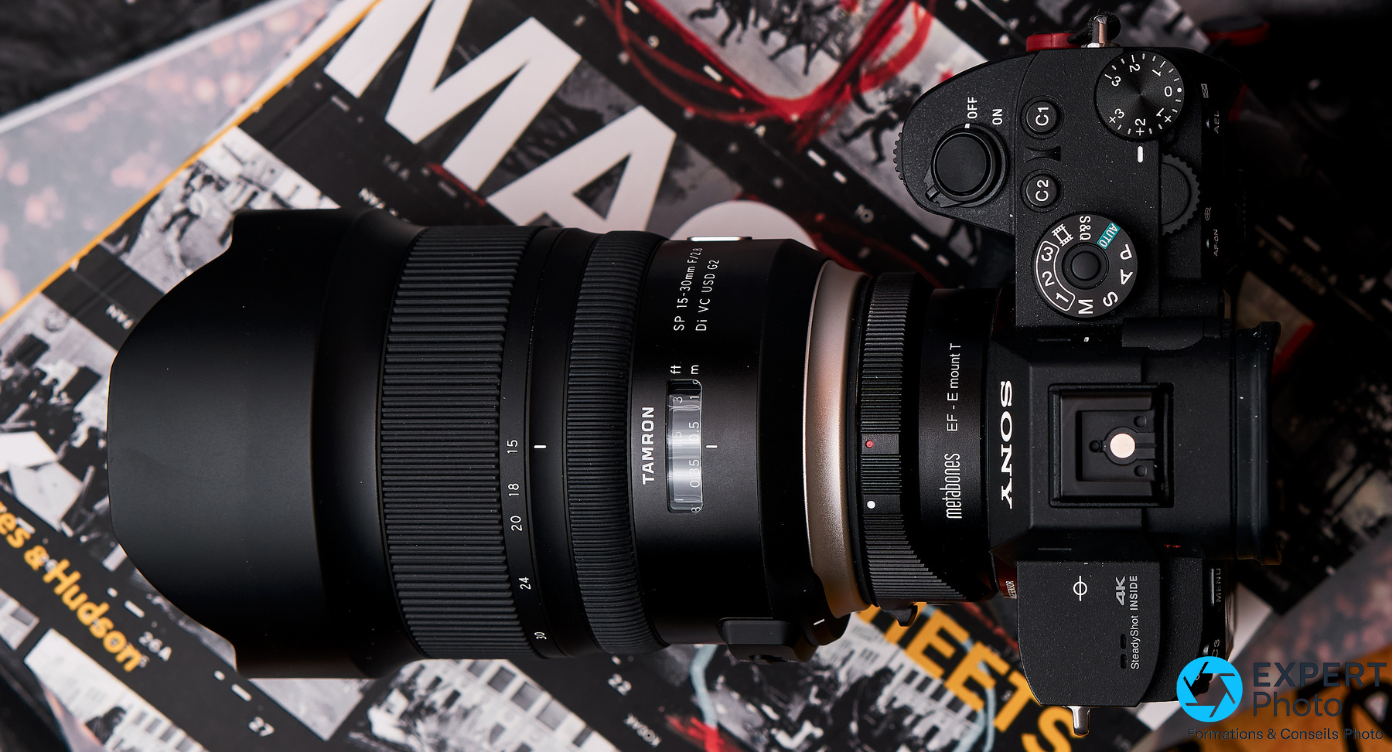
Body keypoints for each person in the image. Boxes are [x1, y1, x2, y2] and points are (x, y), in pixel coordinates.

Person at [841, 83, 922, 164]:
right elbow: (894, 102)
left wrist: (896, 116)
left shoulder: (910, 103)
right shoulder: (905, 97)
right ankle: (880, 155)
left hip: (889, 120)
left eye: (911, 90)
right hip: (885, 117)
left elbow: (904, 117)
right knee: (875, 134)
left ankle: (849, 137)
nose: (909, 91)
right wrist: (886, 101)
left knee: (867, 124)